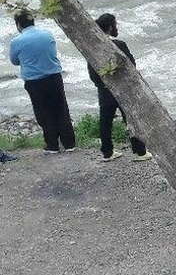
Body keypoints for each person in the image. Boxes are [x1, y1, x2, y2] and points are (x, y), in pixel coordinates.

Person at [8, 10, 76, 153]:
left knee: (43, 112)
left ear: (18, 24)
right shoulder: (47, 34)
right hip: (54, 77)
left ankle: (52, 145)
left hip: (34, 81)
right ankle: (69, 144)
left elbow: (14, 61)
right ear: (33, 21)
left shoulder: (16, 42)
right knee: (61, 109)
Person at [87, 13, 151, 162]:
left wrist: (101, 85)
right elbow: (131, 66)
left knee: (105, 121)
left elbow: (92, 73)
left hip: (104, 90)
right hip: (123, 90)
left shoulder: (93, 47)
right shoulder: (119, 45)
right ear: (110, 27)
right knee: (130, 120)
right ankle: (140, 152)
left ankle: (107, 152)